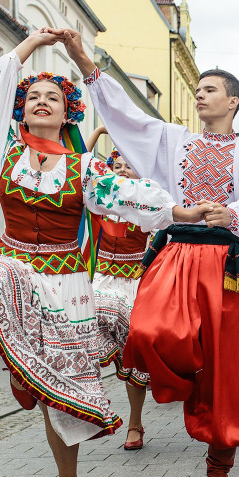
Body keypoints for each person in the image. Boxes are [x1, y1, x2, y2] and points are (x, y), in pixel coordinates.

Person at [0, 29, 182, 477]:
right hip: (16, 270)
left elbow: (135, 199)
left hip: (69, 285)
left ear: (68, 110)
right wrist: (30, 45)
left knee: (60, 393)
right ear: (21, 107)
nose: (40, 102)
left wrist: (188, 212)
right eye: (32, 96)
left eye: (52, 97)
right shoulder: (4, 152)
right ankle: (4, 337)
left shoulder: (84, 168)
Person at [65, 28, 239, 477]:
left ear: (232, 101)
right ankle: (181, 381)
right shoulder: (175, 142)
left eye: (209, 88)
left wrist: (234, 214)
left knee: (224, 369)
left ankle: (219, 465)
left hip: (223, 263)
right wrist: (86, 65)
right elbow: (127, 119)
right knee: (148, 331)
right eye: (198, 89)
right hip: (175, 254)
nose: (199, 94)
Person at [81, 129, 155, 451]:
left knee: (131, 359)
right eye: (116, 165)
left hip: (135, 284)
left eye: (128, 165)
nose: (121, 170)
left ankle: (135, 423)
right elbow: (78, 162)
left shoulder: (149, 203)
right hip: (101, 283)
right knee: (84, 339)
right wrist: (100, 130)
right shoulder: (101, 199)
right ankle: (89, 410)